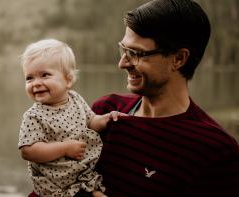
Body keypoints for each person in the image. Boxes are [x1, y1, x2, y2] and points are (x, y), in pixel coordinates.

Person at [91, 0, 239, 196]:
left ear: (178, 59)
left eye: (135, 53)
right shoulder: (104, 113)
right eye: (124, 50)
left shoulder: (216, 150)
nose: (122, 63)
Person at [18, 39, 125, 197]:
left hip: (82, 173)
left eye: (44, 75)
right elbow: (28, 151)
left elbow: (91, 122)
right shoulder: (34, 116)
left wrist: (108, 118)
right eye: (29, 78)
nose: (36, 83)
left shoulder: (75, 99)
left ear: (68, 80)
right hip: (54, 184)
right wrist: (64, 148)